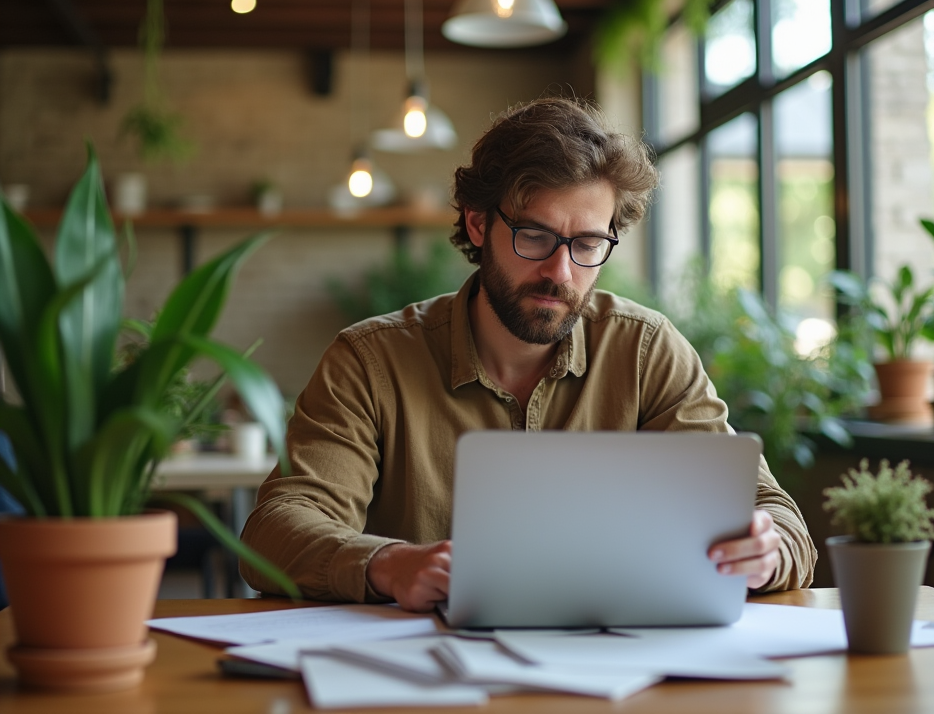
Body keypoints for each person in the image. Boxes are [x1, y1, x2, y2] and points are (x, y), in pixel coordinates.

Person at [241, 97, 816, 611]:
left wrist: (764, 551)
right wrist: (388, 564)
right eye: (535, 237)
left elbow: (781, 520)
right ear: (478, 222)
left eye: (588, 243)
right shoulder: (369, 361)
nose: (560, 272)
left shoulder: (646, 350)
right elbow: (275, 529)